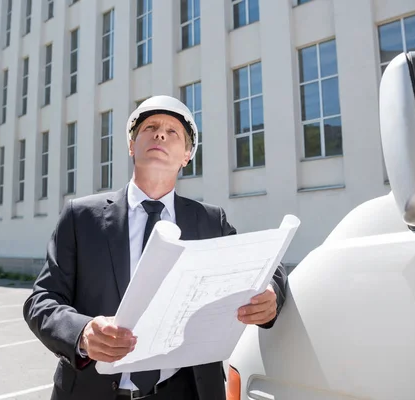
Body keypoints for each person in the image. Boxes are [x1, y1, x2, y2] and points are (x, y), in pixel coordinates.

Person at [23, 95, 288, 400]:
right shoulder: (81, 217)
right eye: (150, 127)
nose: (160, 134)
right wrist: (82, 333)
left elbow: (268, 265)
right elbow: (41, 301)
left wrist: (269, 292)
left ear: (187, 154)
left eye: (173, 132)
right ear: (132, 145)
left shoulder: (210, 221)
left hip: (185, 391)